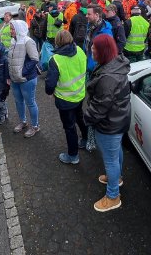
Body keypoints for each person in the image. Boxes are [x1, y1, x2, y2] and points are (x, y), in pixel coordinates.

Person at [84, 34, 131, 212]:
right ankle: (116, 179)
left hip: (109, 124)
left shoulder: (107, 77)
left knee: (110, 159)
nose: (92, 50)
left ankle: (113, 196)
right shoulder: (115, 64)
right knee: (115, 151)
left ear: (103, 51)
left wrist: (87, 118)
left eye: (95, 48)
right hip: (118, 119)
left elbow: (99, 107)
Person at [45, 30, 89, 164]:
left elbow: (50, 85)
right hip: (80, 94)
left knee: (69, 127)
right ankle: (86, 140)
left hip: (65, 100)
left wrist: (49, 92)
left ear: (57, 42)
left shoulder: (56, 59)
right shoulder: (80, 50)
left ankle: (73, 156)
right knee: (80, 117)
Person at [8, 20, 41, 138]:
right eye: (10, 29)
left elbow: (34, 59)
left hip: (27, 79)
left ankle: (35, 126)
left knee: (30, 102)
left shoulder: (28, 41)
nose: (11, 31)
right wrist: (9, 75)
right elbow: (10, 60)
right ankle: (23, 121)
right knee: (18, 101)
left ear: (19, 29)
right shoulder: (13, 41)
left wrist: (22, 72)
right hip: (15, 79)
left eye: (13, 29)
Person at [85, 4, 113, 73]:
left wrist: (94, 67)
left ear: (96, 15)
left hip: (97, 70)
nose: (86, 16)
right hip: (88, 66)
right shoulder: (90, 26)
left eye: (89, 14)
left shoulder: (105, 32)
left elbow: (106, 55)